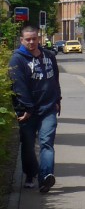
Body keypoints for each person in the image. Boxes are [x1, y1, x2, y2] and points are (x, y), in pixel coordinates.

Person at [8, 24, 62, 193]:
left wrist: (58, 99)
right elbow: (19, 87)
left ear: (39, 38)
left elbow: (55, 80)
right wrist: (28, 109)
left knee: (47, 143)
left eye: (34, 39)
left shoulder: (49, 56)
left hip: (48, 108)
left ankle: (46, 177)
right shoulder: (17, 59)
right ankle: (30, 174)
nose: (32, 42)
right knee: (28, 145)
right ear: (22, 40)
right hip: (26, 112)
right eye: (28, 39)